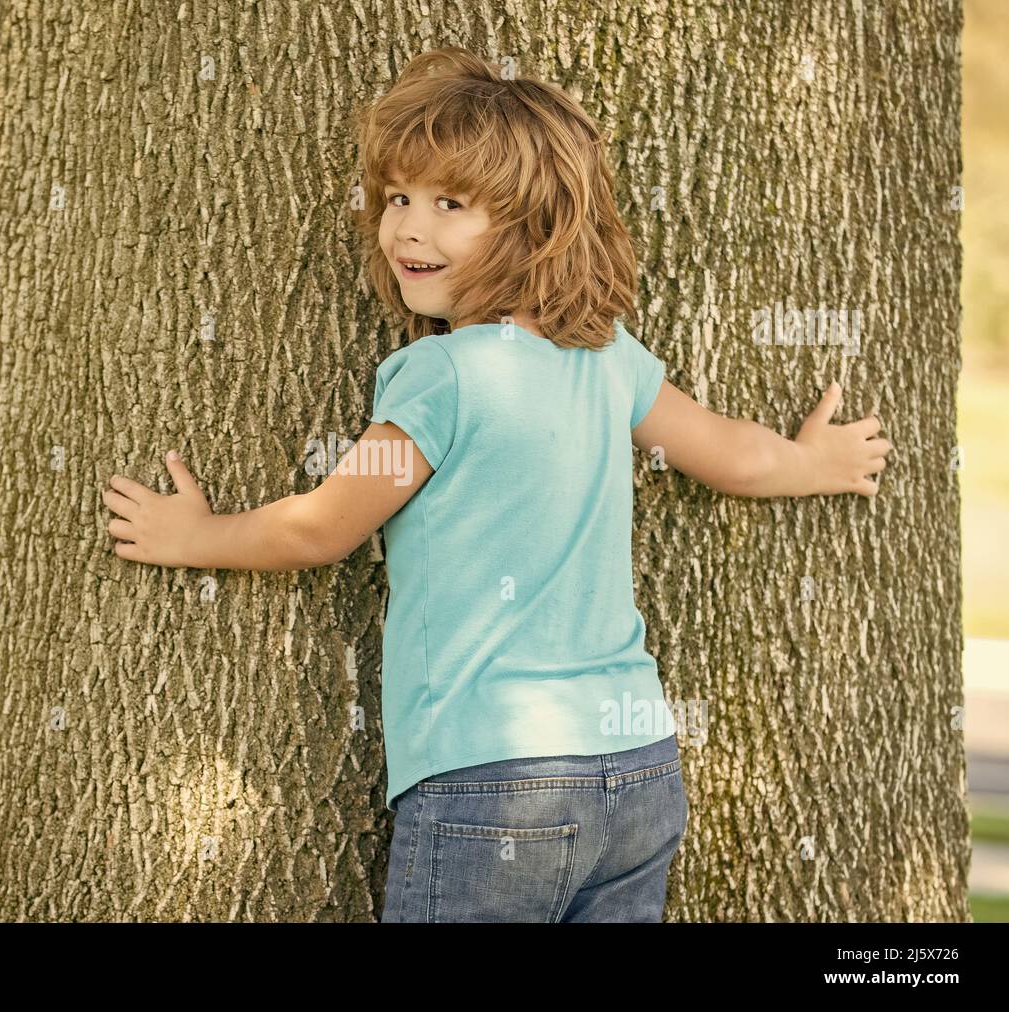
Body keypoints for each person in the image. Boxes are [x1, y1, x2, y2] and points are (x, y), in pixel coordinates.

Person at [101, 47, 892, 922]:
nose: (408, 228)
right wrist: (815, 463)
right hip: (637, 770)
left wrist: (195, 536)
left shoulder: (439, 376)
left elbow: (323, 526)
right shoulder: (605, 356)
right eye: (397, 197)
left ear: (533, 225)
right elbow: (734, 456)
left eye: (451, 204)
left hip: (497, 785)